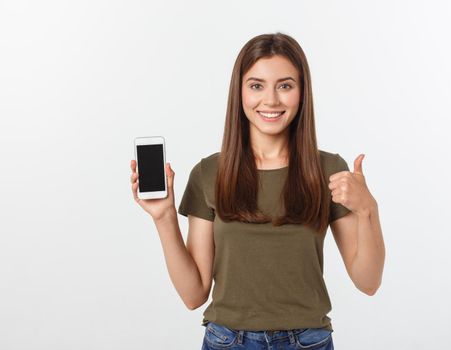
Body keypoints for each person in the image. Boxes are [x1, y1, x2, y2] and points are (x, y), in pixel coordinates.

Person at [130, 32, 385, 350]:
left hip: (307, 341)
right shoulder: (209, 173)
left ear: (302, 93)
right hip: (227, 340)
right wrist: (164, 216)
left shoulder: (329, 169)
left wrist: (367, 209)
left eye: (285, 85)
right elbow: (193, 294)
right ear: (239, 93)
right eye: (256, 85)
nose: (272, 100)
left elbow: (369, 281)